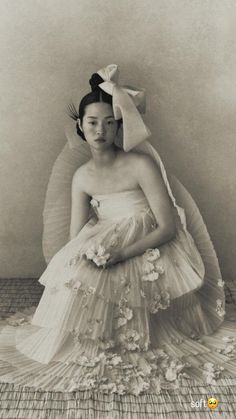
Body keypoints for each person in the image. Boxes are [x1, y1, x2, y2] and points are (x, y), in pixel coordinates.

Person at [0, 64, 236, 397]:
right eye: (93, 123)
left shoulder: (140, 164)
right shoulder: (81, 175)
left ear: (118, 127)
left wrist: (123, 252)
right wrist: (87, 258)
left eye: (109, 124)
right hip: (105, 237)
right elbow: (76, 234)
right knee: (79, 281)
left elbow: (168, 226)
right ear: (80, 126)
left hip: (150, 241)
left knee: (133, 290)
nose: (100, 131)